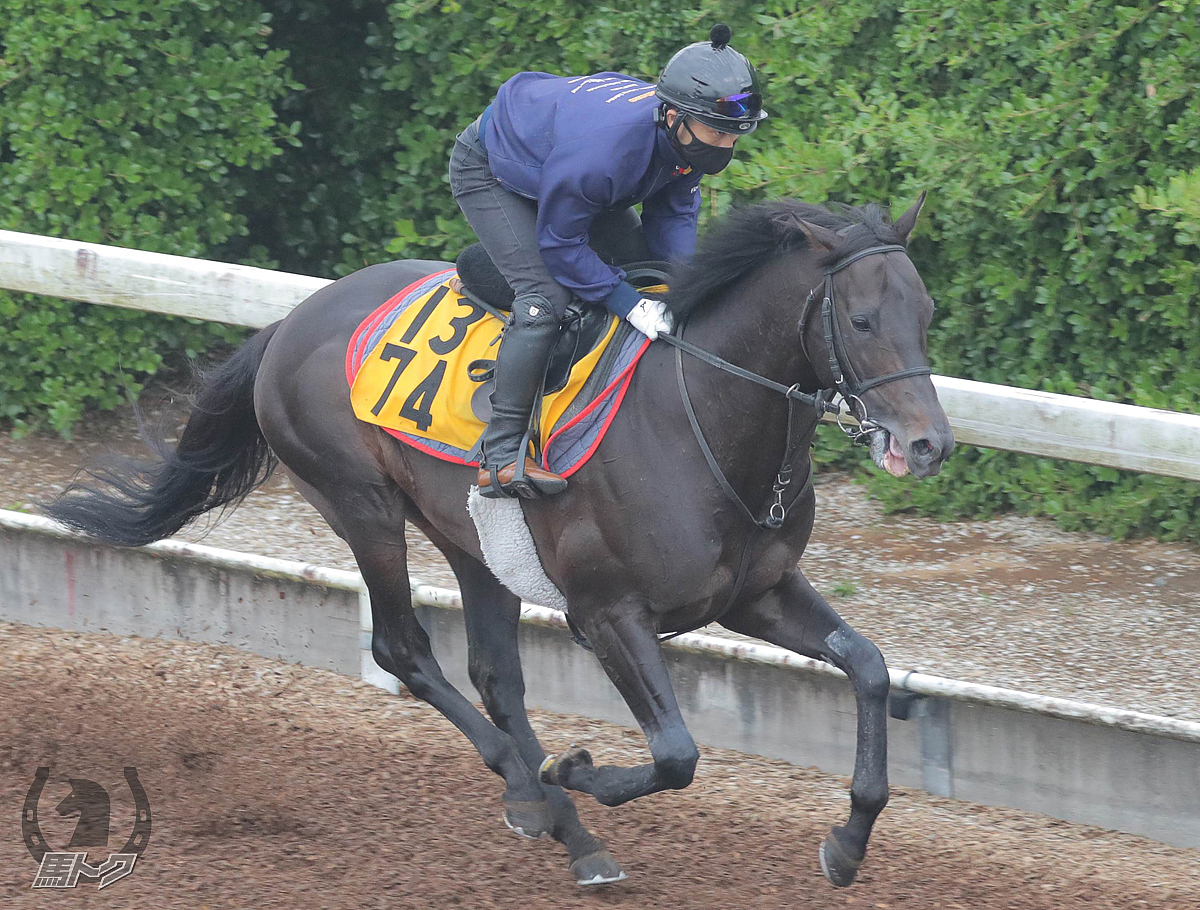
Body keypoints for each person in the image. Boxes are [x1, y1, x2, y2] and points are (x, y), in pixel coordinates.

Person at [449, 24, 767, 499]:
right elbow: (561, 245)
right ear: (674, 116)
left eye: (733, 136)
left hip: (564, 168)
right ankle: (500, 455)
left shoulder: (683, 139)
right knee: (546, 298)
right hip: (493, 169)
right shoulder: (604, 155)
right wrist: (630, 304)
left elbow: (673, 217)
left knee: (645, 272)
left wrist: (679, 291)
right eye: (714, 133)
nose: (722, 147)